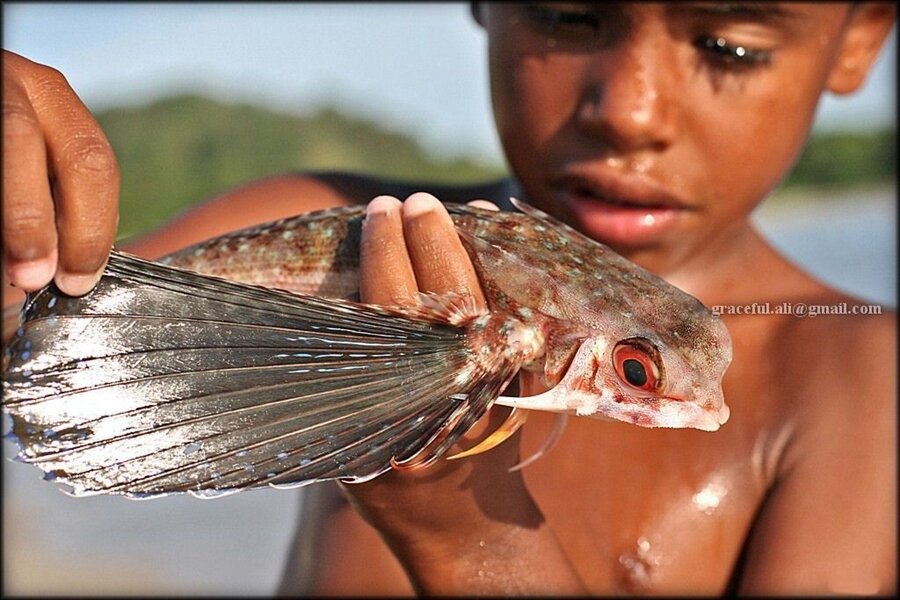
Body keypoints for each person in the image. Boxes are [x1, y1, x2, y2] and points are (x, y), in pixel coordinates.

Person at [2, 2, 896, 596]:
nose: (628, 109)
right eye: (569, 14)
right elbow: (40, 352)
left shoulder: (865, 377)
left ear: (859, 39)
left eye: (728, 46)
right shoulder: (343, 227)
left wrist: (455, 517)